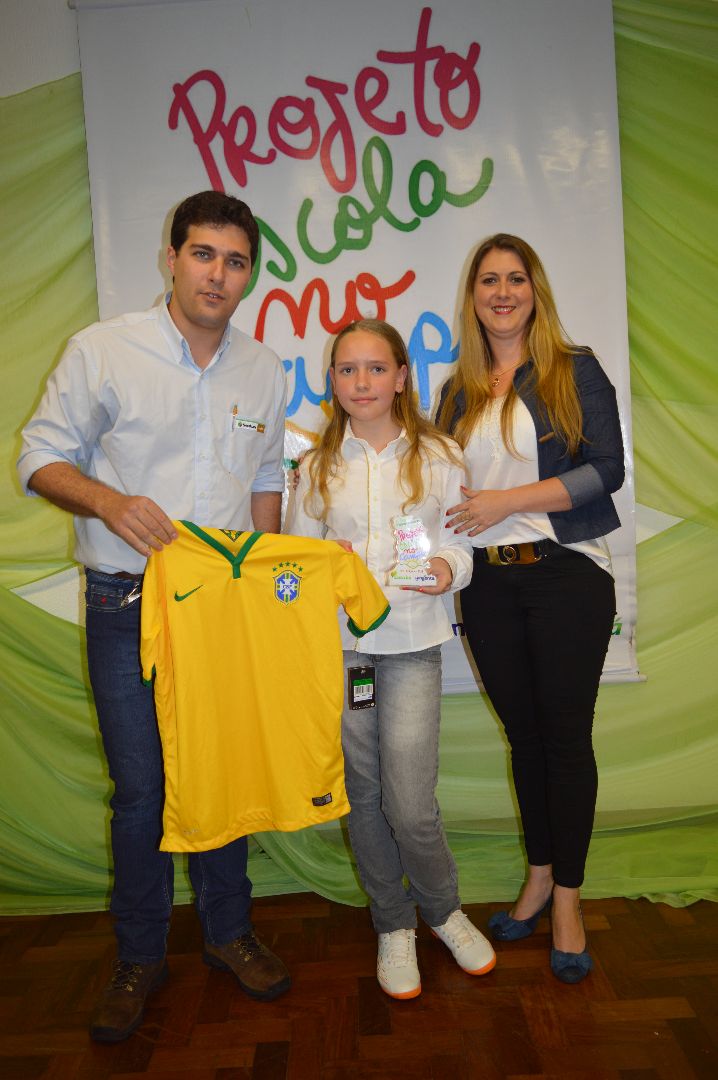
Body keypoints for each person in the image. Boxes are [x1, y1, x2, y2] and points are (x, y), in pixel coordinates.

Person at [17, 191, 291, 1042]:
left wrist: (261, 577)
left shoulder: (264, 367)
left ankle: (228, 932)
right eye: (203, 254)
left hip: (221, 611)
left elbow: (266, 477)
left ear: (250, 274)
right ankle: (139, 955)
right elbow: (38, 457)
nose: (218, 275)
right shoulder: (103, 350)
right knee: (141, 792)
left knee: (220, 776)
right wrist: (109, 500)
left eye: (236, 261)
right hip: (125, 601)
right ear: (171, 258)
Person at [286, 318, 496, 999]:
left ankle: (444, 912)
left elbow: (462, 544)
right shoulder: (316, 467)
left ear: (402, 377)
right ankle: (393, 923)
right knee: (364, 798)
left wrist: (447, 568)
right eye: (348, 369)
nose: (362, 382)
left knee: (410, 804)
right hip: (347, 654)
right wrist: (320, 569)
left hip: (411, 647)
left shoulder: (438, 455)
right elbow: (295, 564)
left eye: (376, 368)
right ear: (333, 380)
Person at [436, 234, 624, 984]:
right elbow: (436, 489)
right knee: (525, 739)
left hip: (566, 576)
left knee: (565, 742)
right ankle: (540, 877)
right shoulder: (456, 392)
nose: (503, 292)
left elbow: (607, 470)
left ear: (534, 290)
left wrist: (507, 502)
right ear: (474, 296)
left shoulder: (574, 370)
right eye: (489, 280)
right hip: (487, 586)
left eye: (516, 279)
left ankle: (569, 900)